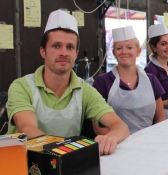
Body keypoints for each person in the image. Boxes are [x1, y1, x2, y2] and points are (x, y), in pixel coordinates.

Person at [6, 10, 130, 155]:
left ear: (76, 53)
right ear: (42, 51)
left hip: (66, 164)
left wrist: (110, 138)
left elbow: (121, 126)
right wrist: (65, 151)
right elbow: (27, 129)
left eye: (70, 47)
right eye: (56, 46)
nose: (64, 53)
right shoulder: (22, 86)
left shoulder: (84, 90)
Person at [92, 26, 166, 134]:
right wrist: (117, 140)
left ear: (138, 51)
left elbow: (160, 118)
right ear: (114, 53)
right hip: (117, 144)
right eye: (119, 48)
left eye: (129, 47)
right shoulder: (102, 82)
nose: (124, 52)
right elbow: (98, 125)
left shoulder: (151, 80)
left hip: (149, 140)